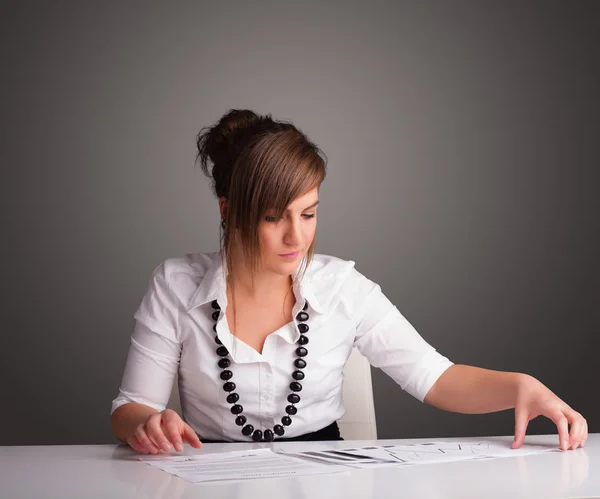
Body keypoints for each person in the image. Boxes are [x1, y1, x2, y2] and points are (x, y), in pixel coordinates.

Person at [110, 109, 588, 454]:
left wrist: (521, 386)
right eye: (273, 217)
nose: (296, 236)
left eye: (309, 213)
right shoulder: (175, 284)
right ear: (228, 211)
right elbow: (130, 408)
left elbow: (435, 377)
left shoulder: (343, 287)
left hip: (326, 479)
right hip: (201, 480)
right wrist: (148, 423)